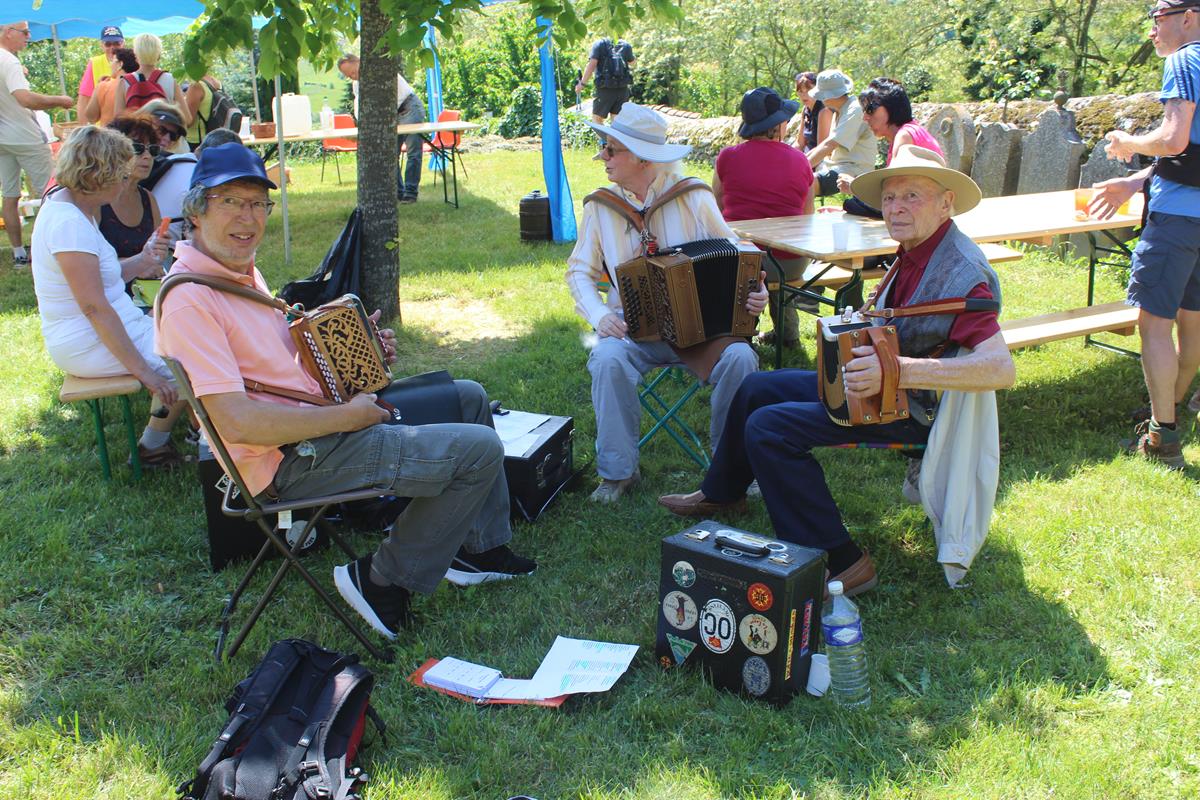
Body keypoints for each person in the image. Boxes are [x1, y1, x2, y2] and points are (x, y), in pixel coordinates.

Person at [156, 143, 536, 637]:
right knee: (480, 450)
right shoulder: (192, 301)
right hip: (286, 463)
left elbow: (280, 368)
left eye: (256, 203)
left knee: (470, 397)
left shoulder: (236, 272)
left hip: (316, 428)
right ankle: (381, 579)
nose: (247, 218)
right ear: (196, 209)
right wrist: (347, 417)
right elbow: (238, 422)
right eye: (230, 201)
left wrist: (358, 355)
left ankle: (475, 548)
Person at [659, 146, 1015, 596]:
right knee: (755, 387)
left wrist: (898, 371)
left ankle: (843, 560)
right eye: (889, 198)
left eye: (912, 196)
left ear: (946, 203)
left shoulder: (962, 271)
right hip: (878, 387)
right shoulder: (917, 247)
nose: (897, 208)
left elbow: (1000, 368)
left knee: (769, 429)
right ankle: (724, 490)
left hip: (919, 408)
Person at [565, 103, 769, 503]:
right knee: (606, 360)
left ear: (641, 157)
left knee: (742, 360)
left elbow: (736, 254)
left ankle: (731, 467)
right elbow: (578, 272)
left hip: (702, 330)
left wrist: (757, 292)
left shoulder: (692, 195)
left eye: (610, 149)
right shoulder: (600, 206)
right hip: (631, 328)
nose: (601, 157)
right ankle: (618, 474)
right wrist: (600, 314)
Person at [31, 126, 185, 466]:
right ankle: (152, 447)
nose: (125, 183)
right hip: (86, 340)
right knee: (189, 362)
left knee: (193, 339)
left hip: (105, 327)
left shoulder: (71, 207)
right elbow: (94, 308)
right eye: (121, 175)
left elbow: (102, 280)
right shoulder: (68, 222)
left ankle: (179, 435)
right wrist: (147, 373)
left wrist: (143, 260)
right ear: (100, 176)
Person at [1091, 0, 1200, 469]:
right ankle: (1169, 413)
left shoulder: (1185, 60)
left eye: (1157, 18)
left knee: (1154, 324)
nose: (1152, 30)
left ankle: (1163, 437)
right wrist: (1135, 182)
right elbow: (1191, 152)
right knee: (1193, 321)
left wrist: (1128, 142)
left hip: (1177, 219)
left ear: (1188, 17)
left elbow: (1174, 139)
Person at [713, 87, 815, 348]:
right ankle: (788, 333)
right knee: (778, 269)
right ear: (778, 124)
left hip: (739, 259)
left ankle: (740, 332)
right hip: (791, 261)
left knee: (748, 263)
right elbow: (808, 215)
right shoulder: (801, 160)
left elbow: (717, 205)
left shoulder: (727, 157)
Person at [1, 20, 72, 269]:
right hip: (25, 136)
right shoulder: (8, 61)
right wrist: (60, 100)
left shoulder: (9, 61)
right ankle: (50, 252)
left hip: (1, 139)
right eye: (24, 32)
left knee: (10, 195)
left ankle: (19, 253)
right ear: (8, 33)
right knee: (50, 193)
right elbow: (25, 98)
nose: (29, 36)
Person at [835, 77, 944, 216]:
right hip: (924, 209)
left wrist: (855, 187)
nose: (865, 117)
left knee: (851, 205)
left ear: (891, 107)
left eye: (870, 110)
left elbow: (894, 196)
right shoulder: (910, 131)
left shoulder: (904, 136)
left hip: (924, 213)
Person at [337, 54, 425, 203]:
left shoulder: (380, 70)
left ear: (358, 62)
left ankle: (411, 193)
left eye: (352, 72)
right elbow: (360, 105)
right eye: (348, 76)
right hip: (392, 115)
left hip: (409, 108)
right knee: (390, 154)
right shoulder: (357, 84)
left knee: (413, 152)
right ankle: (398, 192)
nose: (352, 77)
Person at [805, 69, 877, 197]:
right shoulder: (840, 110)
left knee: (807, 184)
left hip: (854, 170)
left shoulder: (854, 109)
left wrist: (798, 167)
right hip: (837, 167)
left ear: (828, 97)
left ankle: (804, 217)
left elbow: (830, 144)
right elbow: (825, 145)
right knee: (800, 182)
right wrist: (800, 162)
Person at [114, 34, 189, 123]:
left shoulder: (124, 82)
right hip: (163, 135)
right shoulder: (170, 80)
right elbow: (187, 119)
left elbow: (118, 121)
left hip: (135, 135)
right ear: (159, 55)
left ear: (136, 54)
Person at [575, 37, 636, 124]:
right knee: (617, 122)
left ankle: (604, 138)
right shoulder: (626, 45)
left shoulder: (599, 44)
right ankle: (613, 138)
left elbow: (592, 64)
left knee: (597, 119)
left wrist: (582, 84)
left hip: (605, 88)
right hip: (622, 89)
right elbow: (632, 62)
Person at [74, 25, 125, 121]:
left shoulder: (133, 61)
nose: (112, 48)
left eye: (116, 43)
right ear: (102, 45)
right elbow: (84, 99)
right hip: (102, 128)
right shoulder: (94, 63)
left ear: (123, 43)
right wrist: (84, 129)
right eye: (108, 44)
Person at [85, 47, 138, 127]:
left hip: (110, 137)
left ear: (120, 64)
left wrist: (98, 88)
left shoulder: (105, 86)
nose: (110, 65)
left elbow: (91, 117)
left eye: (112, 61)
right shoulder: (141, 84)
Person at [794, 71, 833, 153]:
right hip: (807, 156)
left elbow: (821, 149)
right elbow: (799, 143)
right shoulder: (805, 110)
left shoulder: (824, 111)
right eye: (800, 91)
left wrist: (801, 163)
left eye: (808, 90)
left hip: (818, 160)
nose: (804, 95)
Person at [183, 75, 224, 151]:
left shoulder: (196, 86)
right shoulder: (216, 82)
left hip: (198, 143)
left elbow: (188, 121)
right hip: (216, 139)